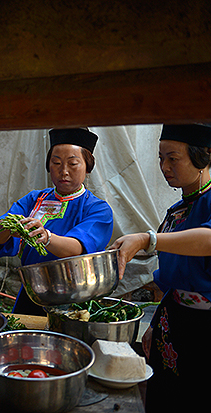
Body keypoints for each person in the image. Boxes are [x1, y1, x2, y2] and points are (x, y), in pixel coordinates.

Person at [109, 124, 211, 411]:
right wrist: (155, 323)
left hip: (205, 329)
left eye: (173, 158)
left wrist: (148, 239)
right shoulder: (177, 211)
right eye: (161, 158)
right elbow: (172, 279)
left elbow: (208, 240)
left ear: (202, 156)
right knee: (166, 398)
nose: (165, 167)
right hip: (173, 321)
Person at [0, 128, 114, 315]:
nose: (64, 171)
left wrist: (47, 237)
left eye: (73, 164)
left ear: (88, 167)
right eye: (56, 163)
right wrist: (7, 228)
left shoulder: (97, 209)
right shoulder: (33, 200)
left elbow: (78, 247)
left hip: (76, 298)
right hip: (33, 293)